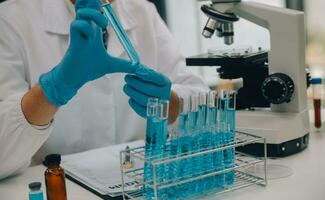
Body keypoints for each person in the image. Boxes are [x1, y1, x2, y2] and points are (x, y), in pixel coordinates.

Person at [0, 0, 208, 179]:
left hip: (141, 183)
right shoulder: (11, 19)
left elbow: (202, 103)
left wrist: (170, 104)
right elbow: (3, 153)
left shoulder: (142, 11)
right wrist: (54, 88)